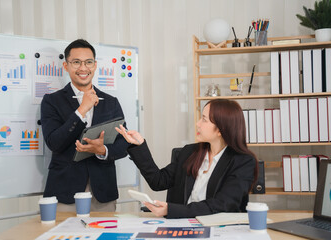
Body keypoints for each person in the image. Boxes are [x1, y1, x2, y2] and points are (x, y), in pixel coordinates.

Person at [116, 99, 258, 218]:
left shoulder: (243, 161)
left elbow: (223, 204)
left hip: (219, 230)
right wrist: (139, 145)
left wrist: (171, 210)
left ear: (220, 129)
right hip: (182, 227)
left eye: (204, 120)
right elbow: (157, 181)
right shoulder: (190, 152)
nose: (198, 124)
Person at [41, 39, 129, 212]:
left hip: (103, 193)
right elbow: (54, 142)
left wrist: (103, 151)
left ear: (95, 65)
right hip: (64, 192)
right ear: (66, 66)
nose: (83, 68)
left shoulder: (111, 102)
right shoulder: (51, 101)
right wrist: (81, 110)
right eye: (76, 62)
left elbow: (123, 144)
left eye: (88, 62)